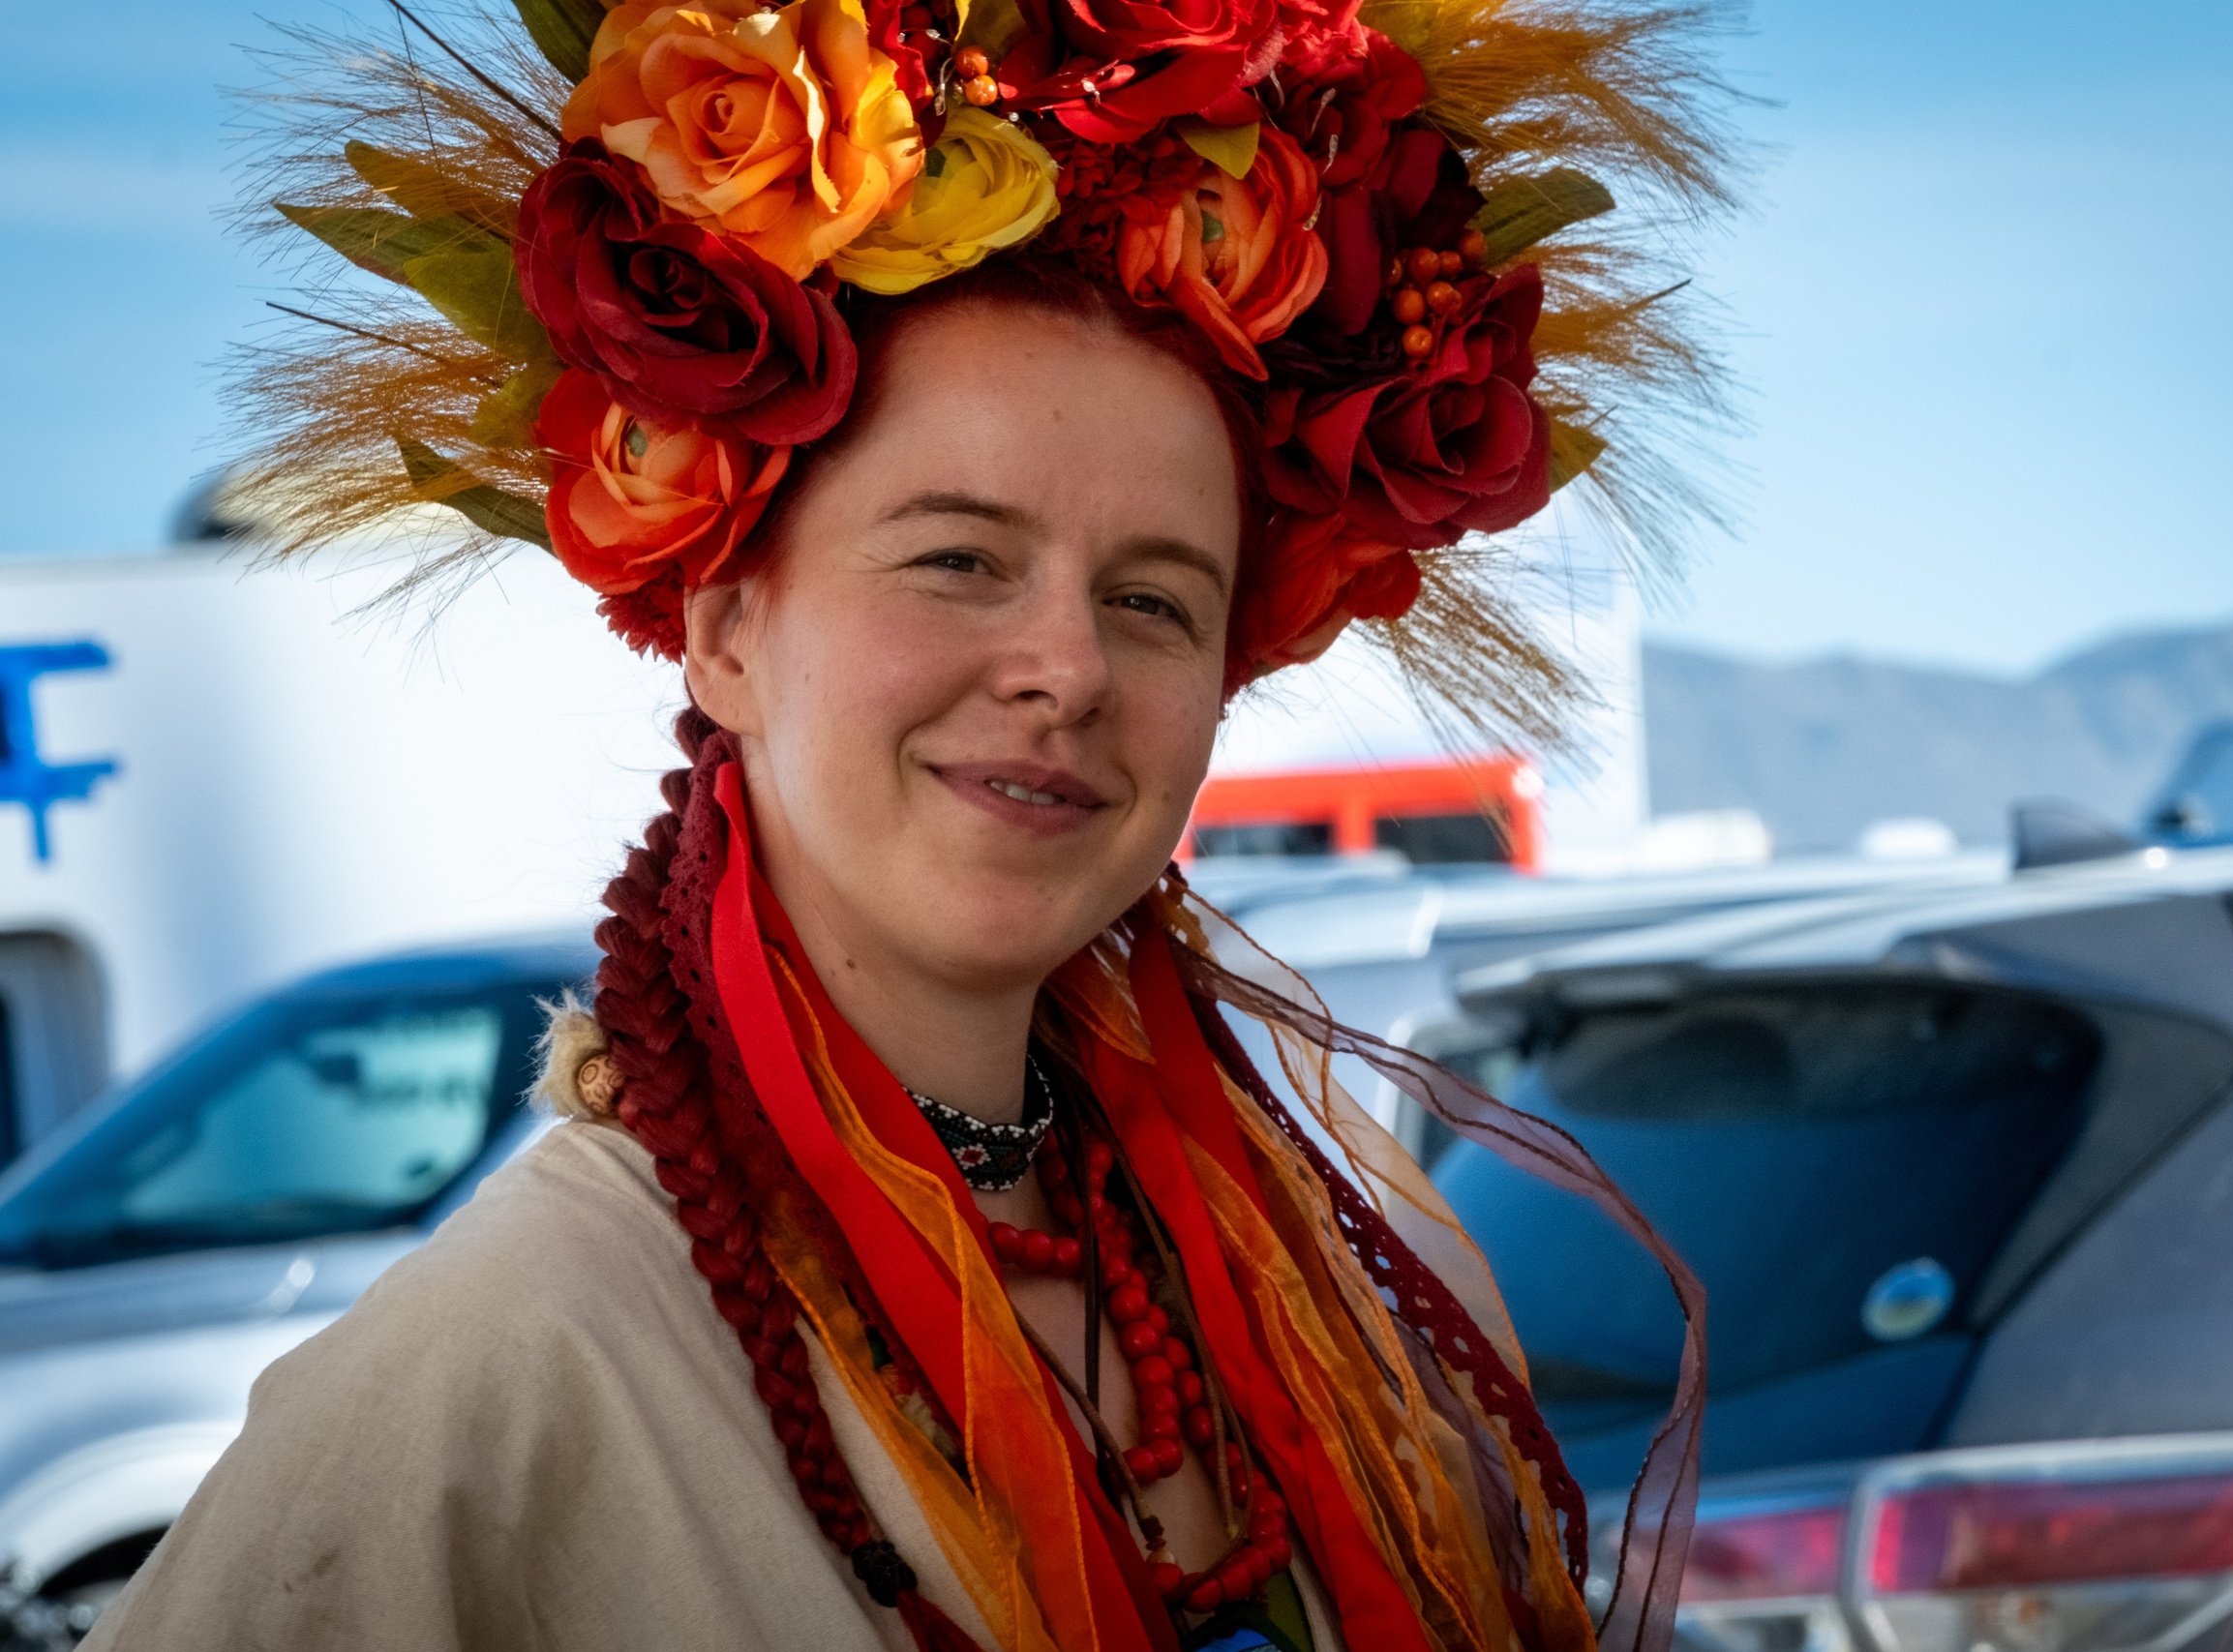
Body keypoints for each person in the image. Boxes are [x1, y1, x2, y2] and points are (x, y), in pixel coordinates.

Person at [84, 0, 1731, 1646]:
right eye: (957, 557)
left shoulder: (1354, 1257)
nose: (1069, 669)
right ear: (726, 629)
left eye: (1157, 602)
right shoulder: (507, 1369)